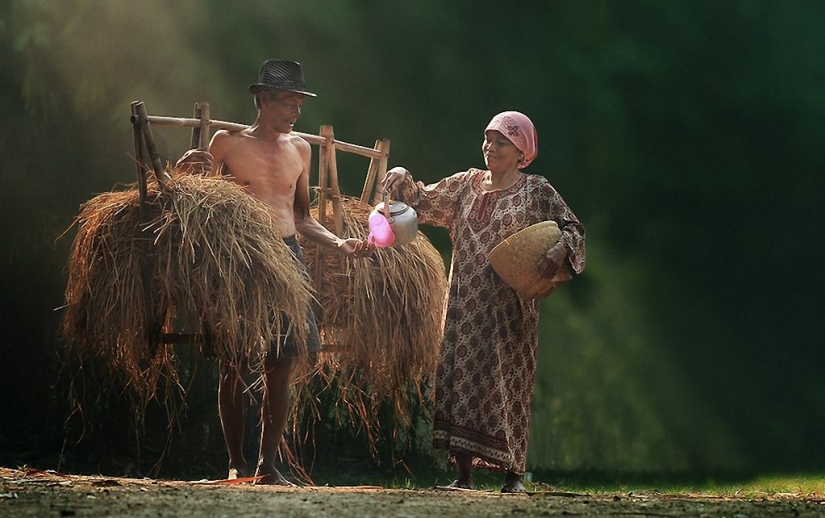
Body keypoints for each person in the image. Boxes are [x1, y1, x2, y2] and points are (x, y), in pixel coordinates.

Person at [177, 59, 373, 485]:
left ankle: (268, 466)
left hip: (287, 255)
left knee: (284, 359)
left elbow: (302, 217)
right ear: (263, 100)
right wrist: (185, 171)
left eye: (299, 104)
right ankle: (236, 463)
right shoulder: (226, 143)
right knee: (234, 358)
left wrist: (340, 242)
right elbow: (197, 202)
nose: (295, 112)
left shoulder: (300, 148)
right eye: (288, 102)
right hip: (241, 258)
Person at [381, 111, 585, 493]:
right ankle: (464, 477)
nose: (491, 148)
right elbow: (421, 200)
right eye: (488, 140)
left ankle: (513, 476)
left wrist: (557, 250)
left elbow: (573, 228)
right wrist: (403, 173)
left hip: (510, 308)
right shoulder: (466, 185)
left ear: (521, 151)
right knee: (462, 378)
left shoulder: (536, 190)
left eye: (501, 142)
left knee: (507, 383)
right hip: (464, 303)